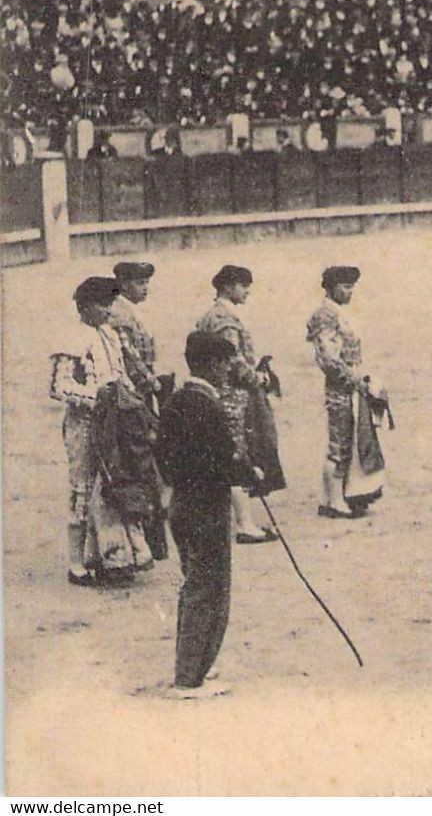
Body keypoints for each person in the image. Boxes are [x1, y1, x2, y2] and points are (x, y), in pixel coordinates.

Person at [157, 331, 265, 696]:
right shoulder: (210, 405)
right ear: (211, 364)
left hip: (181, 504)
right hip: (207, 508)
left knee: (194, 586)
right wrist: (249, 473)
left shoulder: (173, 401)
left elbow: (165, 458)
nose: (228, 371)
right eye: (225, 364)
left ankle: (194, 664)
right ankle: (189, 677)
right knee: (209, 590)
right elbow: (221, 460)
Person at [49, 277, 154, 585]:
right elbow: (58, 387)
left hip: (116, 423)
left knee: (116, 483)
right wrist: (98, 400)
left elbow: (121, 376)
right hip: (85, 424)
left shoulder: (109, 335)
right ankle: (76, 564)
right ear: (84, 307)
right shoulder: (70, 337)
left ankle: (112, 558)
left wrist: (131, 401)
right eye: (102, 304)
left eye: (110, 303)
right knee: (82, 487)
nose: (109, 310)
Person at [196, 266, 283, 544]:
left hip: (219, 391)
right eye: (243, 286)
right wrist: (258, 377)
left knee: (231, 452)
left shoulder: (214, 315)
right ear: (228, 287)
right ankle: (244, 524)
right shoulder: (226, 319)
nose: (247, 291)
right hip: (232, 394)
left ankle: (241, 521)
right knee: (236, 453)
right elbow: (231, 360)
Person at [306, 266, 385, 518]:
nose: (350, 291)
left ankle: (343, 496)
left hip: (351, 385)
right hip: (342, 388)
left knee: (350, 441)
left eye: (352, 286)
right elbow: (328, 359)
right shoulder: (325, 315)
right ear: (330, 288)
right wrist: (354, 380)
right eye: (345, 286)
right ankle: (333, 501)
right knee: (339, 442)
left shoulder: (336, 313)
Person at [109, 262, 160, 404]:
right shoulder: (120, 313)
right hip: (133, 385)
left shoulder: (131, 309)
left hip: (142, 381)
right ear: (124, 285)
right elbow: (129, 355)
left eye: (146, 283)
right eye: (140, 283)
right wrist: (152, 381)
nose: (145, 288)